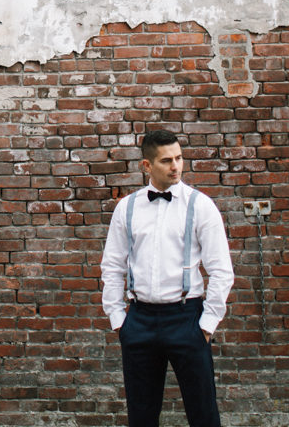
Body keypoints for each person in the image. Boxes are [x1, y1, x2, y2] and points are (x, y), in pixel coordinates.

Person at [100, 130, 234, 427]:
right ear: (146, 166)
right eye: (166, 161)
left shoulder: (200, 206)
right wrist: (118, 319)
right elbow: (112, 265)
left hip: (187, 318)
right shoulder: (128, 207)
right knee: (142, 415)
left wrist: (207, 324)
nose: (176, 166)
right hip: (140, 321)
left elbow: (221, 269)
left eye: (179, 158)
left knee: (203, 414)